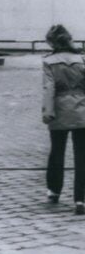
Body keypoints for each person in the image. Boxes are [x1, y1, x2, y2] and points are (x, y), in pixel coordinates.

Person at [44, 27, 85, 209]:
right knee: (82, 156)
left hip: (59, 110)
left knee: (57, 152)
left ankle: (54, 191)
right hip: (81, 109)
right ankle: (80, 198)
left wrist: (48, 111)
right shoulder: (82, 59)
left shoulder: (49, 61)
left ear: (52, 42)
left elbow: (49, 88)